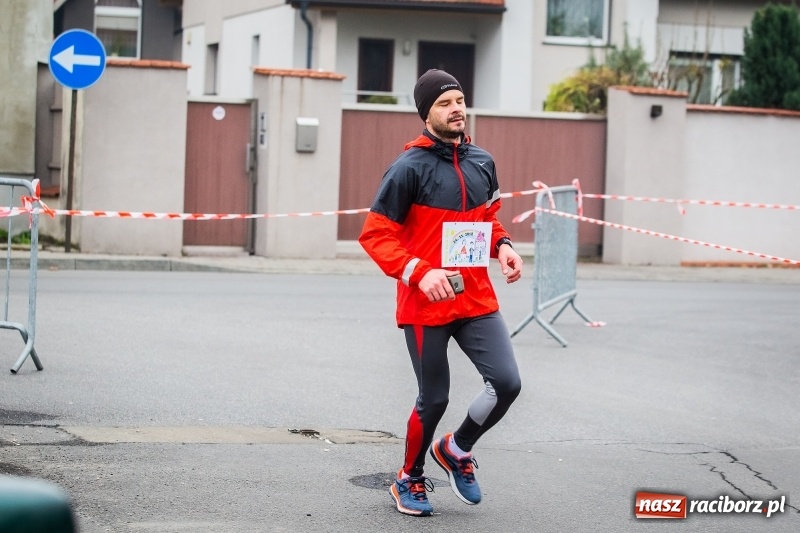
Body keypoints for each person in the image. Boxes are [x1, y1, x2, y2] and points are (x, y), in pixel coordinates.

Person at [359, 69, 524, 517]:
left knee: (507, 383)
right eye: (445, 103)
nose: (457, 109)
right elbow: (375, 236)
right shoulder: (407, 167)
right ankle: (407, 478)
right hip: (425, 303)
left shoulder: (482, 161)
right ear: (426, 113)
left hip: (474, 299)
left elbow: (487, 219)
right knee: (434, 398)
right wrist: (417, 271)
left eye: (460, 100)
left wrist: (503, 246)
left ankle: (455, 449)